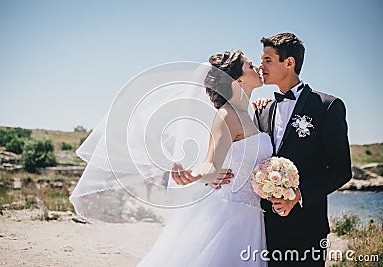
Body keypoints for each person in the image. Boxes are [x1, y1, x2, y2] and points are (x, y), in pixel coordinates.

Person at [219, 33, 352, 266]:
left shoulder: (327, 106)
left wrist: (298, 195)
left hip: (307, 229)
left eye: (268, 59)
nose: (261, 66)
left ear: (289, 63)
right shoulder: (263, 111)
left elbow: (341, 170)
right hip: (263, 229)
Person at [137, 50, 272, 266]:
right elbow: (211, 163)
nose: (256, 66)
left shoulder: (252, 114)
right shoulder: (227, 115)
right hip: (230, 217)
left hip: (252, 216)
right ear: (238, 80)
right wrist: (192, 175)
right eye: (249, 65)